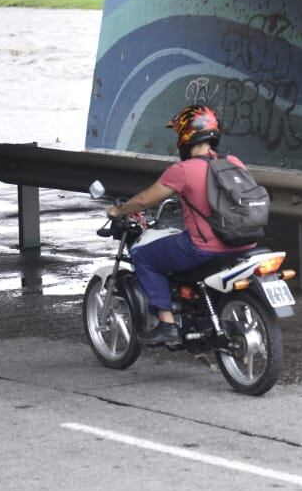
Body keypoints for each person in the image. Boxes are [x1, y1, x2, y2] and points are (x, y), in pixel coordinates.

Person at [106, 105, 254, 346]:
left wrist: (118, 211)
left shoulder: (182, 171)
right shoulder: (234, 162)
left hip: (203, 248)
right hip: (243, 242)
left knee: (143, 255)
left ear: (185, 135)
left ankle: (167, 324)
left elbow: (144, 200)